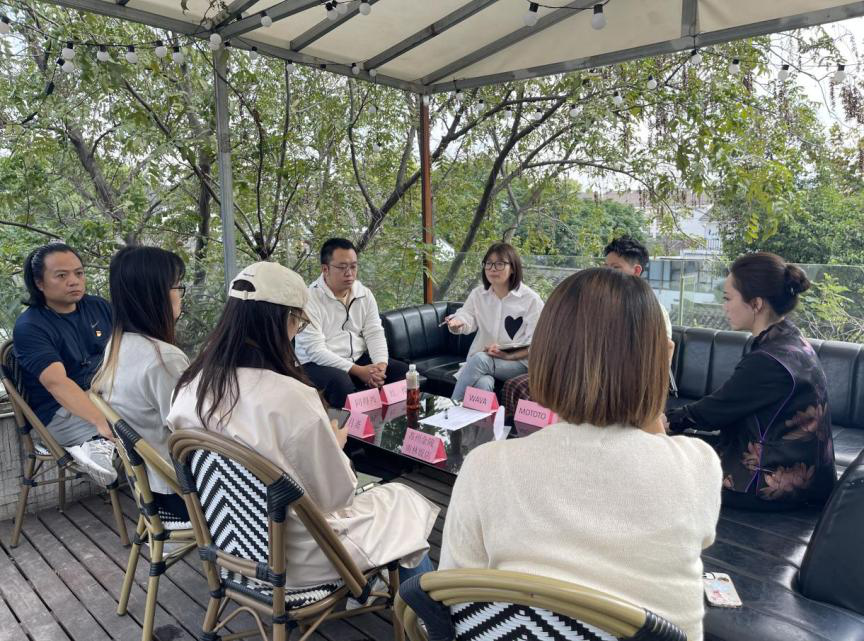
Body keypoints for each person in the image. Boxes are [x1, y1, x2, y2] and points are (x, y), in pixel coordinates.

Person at [440, 268, 721, 641]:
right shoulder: (698, 465)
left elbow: (453, 599)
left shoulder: (485, 467)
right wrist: (652, 386)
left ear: (545, 356)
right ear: (658, 359)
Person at [168, 262, 439, 587]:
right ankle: (422, 607)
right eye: (299, 321)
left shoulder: (189, 387)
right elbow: (337, 496)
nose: (297, 331)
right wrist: (334, 445)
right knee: (403, 500)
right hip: (299, 558)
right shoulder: (291, 397)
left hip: (228, 544)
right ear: (284, 320)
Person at [667, 253, 835, 510]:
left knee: (661, 465)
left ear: (756, 303)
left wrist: (664, 421)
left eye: (727, 298)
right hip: (807, 479)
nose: (723, 306)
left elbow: (713, 411)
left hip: (764, 484)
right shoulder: (792, 341)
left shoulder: (768, 361)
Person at [504, 235, 671, 416]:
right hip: (582, 372)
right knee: (517, 386)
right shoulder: (598, 303)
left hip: (614, 382)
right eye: (605, 267)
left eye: (615, 268)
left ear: (636, 270)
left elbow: (663, 352)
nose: (607, 274)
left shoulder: (650, 310)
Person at [91, 246, 190, 517]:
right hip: (181, 496)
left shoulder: (117, 345)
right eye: (177, 286)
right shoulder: (163, 359)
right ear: (156, 295)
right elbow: (191, 436)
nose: (180, 294)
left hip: (148, 489)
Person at [12, 243, 116, 486]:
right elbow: (57, 384)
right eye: (61, 275)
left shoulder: (98, 307)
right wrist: (99, 420)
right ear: (39, 283)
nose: (74, 281)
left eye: (79, 273)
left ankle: (98, 446)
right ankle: (93, 445)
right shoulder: (30, 326)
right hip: (61, 410)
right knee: (134, 436)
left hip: (105, 394)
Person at [295, 238, 409, 408]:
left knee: (402, 372)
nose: (349, 273)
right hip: (315, 364)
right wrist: (359, 371)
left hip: (356, 358)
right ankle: (349, 426)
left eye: (353, 266)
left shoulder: (364, 294)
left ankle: (392, 421)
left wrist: (380, 367)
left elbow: (374, 332)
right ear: (325, 269)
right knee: (340, 382)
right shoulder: (309, 299)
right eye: (342, 267)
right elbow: (316, 351)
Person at [444, 242, 543, 402]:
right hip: (487, 360)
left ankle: (452, 406)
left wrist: (507, 355)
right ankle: (483, 419)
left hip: (518, 363)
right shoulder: (478, 294)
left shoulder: (531, 300)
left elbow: (537, 344)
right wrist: (457, 323)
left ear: (513, 268)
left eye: (499, 264)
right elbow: (466, 316)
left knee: (479, 360)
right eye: (488, 263)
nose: (492, 269)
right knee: (483, 382)